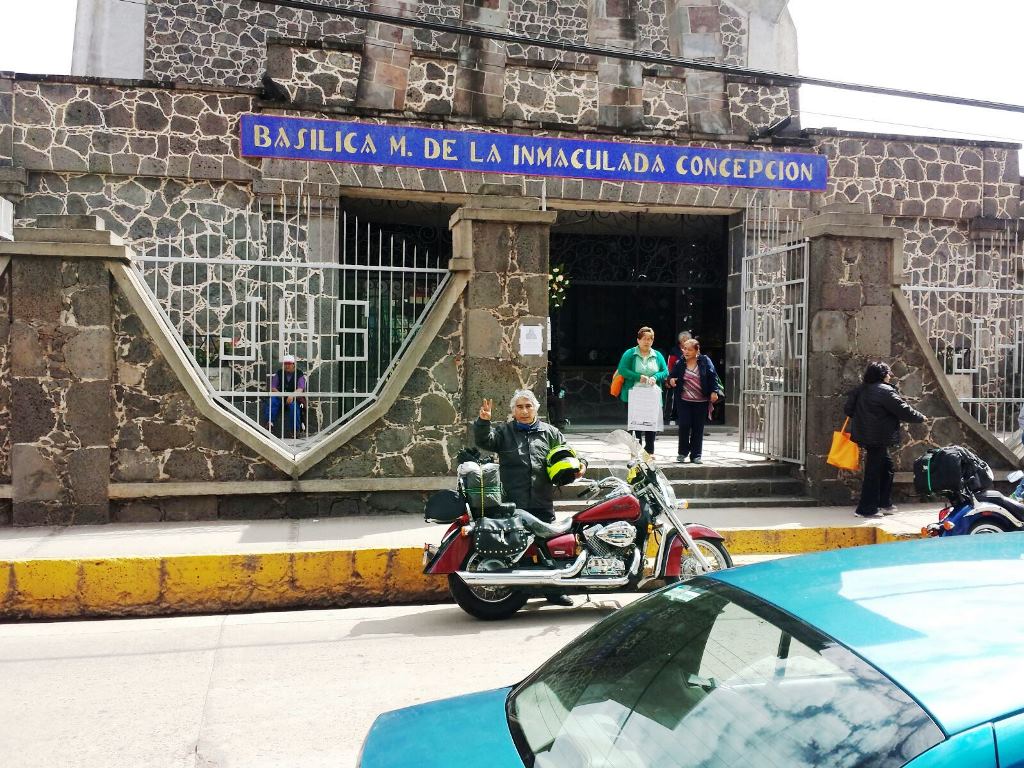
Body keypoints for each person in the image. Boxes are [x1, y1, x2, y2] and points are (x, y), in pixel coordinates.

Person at [474, 389, 585, 607]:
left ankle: (554, 592)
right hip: (513, 501)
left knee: (548, 546)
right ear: (513, 411)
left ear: (535, 408)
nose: (524, 411)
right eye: (519, 407)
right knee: (517, 546)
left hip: (542, 499)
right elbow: (485, 441)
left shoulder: (550, 433)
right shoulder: (504, 432)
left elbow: (569, 454)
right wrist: (483, 421)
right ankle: (517, 591)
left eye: (528, 406)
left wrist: (581, 465)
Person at [843, 361, 925, 518]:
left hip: (867, 436)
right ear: (882, 375)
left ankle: (883, 502)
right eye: (888, 373)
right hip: (878, 437)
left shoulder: (861, 390)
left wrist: (865, 420)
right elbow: (903, 409)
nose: (890, 376)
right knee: (873, 473)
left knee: (887, 467)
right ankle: (866, 509)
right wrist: (920, 417)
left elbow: (848, 409)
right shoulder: (885, 391)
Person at [616, 326, 669, 457]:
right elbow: (622, 369)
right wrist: (638, 377)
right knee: (635, 424)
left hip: (652, 395)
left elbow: (665, 371)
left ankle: (649, 452)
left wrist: (655, 377)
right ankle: (635, 451)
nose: (647, 341)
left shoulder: (657, 355)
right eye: (644, 339)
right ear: (638, 340)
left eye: (650, 339)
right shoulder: (630, 353)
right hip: (634, 394)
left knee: (651, 423)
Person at [669, 338, 722, 464]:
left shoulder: (704, 361)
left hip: (701, 400)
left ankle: (696, 455)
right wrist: (671, 380)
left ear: (697, 351)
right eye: (684, 349)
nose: (686, 351)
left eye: (689, 349)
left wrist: (714, 391)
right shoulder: (680, 362)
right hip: (684, 400)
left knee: (698, 428)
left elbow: (712, 376)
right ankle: (682, 453)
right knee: (684, 425)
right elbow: (671, 375)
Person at [264, 353, 307, 437]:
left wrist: (292, 395)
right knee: (273, 400)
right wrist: (282, 395)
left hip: (294, 398)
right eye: (285, 364)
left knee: (294, 406)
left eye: (289, 364)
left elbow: (301, 388)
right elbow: (273, 387)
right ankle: (269, 424)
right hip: (281, 397)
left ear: (293, 365)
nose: (287, 366)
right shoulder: (279, 373)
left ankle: (295, 430)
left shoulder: (299, 374)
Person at [665, 331, 692, 425]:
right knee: (674, 399)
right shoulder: (674, 351)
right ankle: (672, 417)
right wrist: (668, 378)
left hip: (690, 380)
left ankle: (685, 418)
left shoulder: (693, 350)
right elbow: (670, 365)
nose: (685, 341)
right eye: (683, 340)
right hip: (676, 379)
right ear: (680, 341)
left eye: (687, 339)